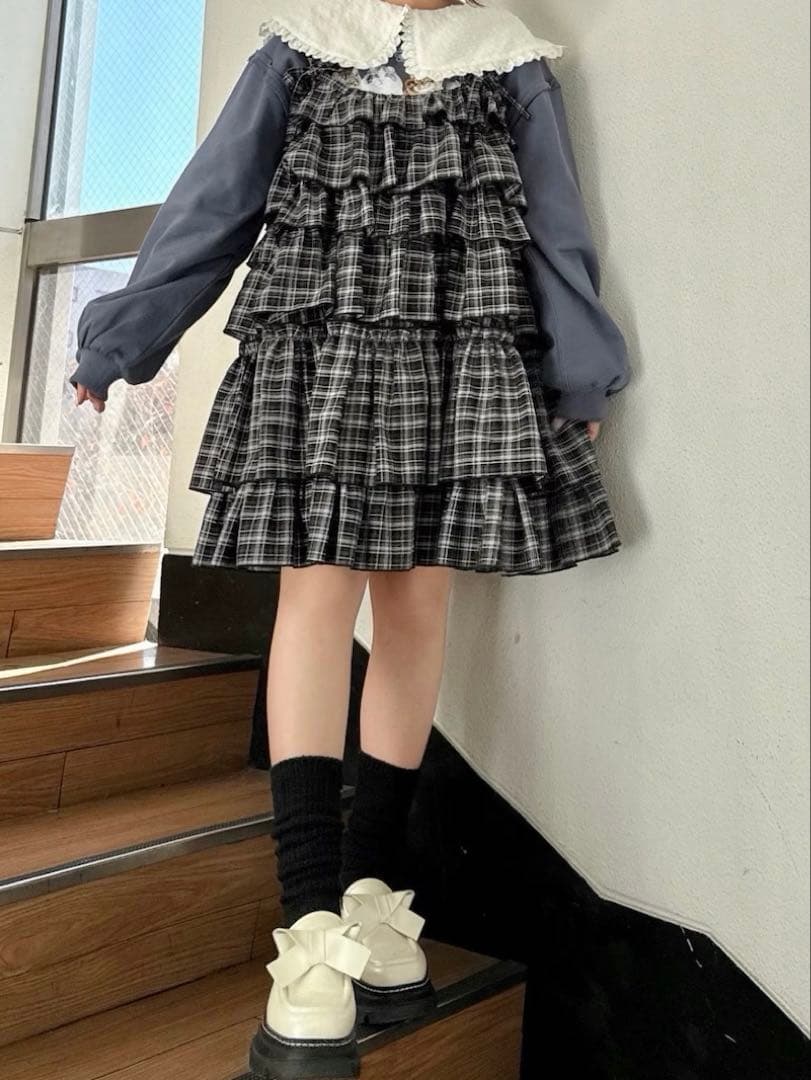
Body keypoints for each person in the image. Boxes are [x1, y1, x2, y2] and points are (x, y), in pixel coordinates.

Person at [69, 0, 631, 1075]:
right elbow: (216, 200)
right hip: (319, 343)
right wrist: (124, 338)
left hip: (458, 348)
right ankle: (308, 925)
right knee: (317, 593)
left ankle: (373, 892)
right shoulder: (303, 45)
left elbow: (555, 225)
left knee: (419, 601)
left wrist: (579, 367)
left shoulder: (508, 59)